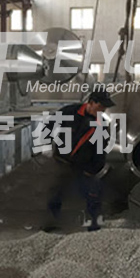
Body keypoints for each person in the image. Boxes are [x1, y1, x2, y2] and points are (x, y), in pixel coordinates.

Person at [44, 89, 115, 232]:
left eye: (105, 107)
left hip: (83, 167)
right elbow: (50, 125)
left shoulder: (101, 125)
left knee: (93, 194)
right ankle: (52, 223)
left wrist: (93, 170)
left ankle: (94, 226)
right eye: (101, 106)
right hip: (62, 161)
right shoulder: (70, 112)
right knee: (56, 192)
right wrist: (46, 145)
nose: (103, 110)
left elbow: (100, 151)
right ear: (91, 103)